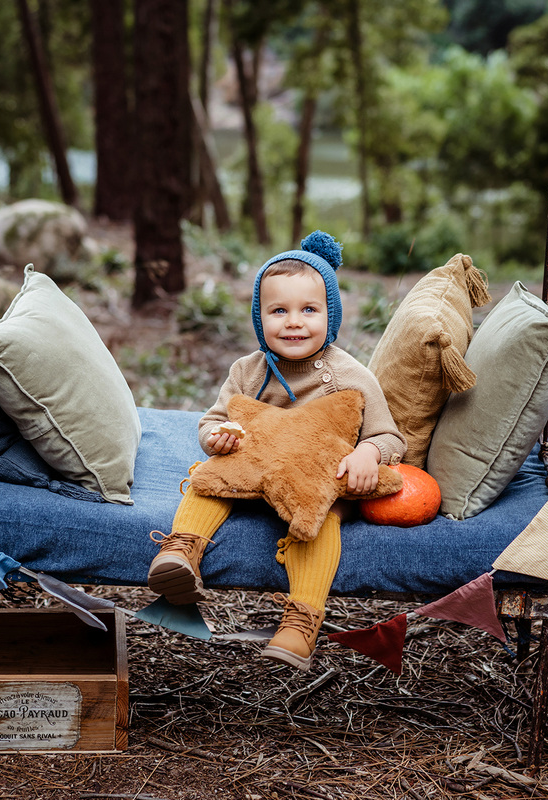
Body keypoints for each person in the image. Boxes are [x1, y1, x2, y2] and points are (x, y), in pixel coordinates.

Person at [147, 231, 407, 671]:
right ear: (259, 317)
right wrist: (218, 437)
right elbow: (214, 421)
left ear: (331, 314)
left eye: (309, 310)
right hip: (255, 474)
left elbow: (391, 438)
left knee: (321, 522)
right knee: (206, 476)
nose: (293, 322)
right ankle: (180, 552)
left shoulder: (350, 376)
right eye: (278, 311)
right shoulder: (249, 371)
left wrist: (367, 454)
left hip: (313, 483)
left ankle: (300, 621)